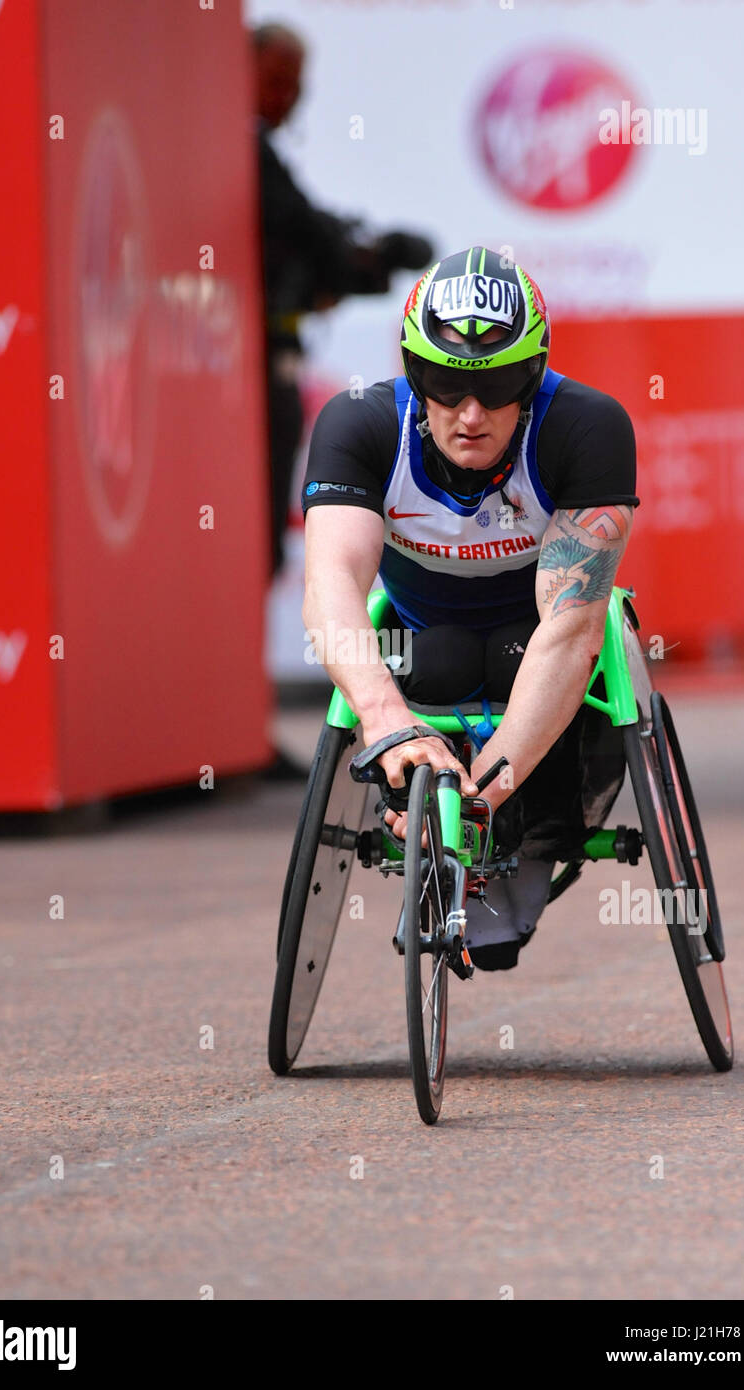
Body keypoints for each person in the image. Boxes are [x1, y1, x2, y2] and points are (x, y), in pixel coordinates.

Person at [300, 247, 638, 970]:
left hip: (534, 639)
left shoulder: (587, 427)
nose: (471, 413)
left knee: (514, 653)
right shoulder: (359, 426)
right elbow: (331, 584)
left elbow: (572, 624)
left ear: (536, 373)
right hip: (428, 635)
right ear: (414, 372)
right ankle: (414, 809)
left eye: (500, 385)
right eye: (446, 386)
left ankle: (527, 838)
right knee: (447, 657)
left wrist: (491, 784)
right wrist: (385, 723)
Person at [252, 22, 433, 577]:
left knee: (266, 518)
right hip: (250, 362)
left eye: (295, 86)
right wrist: (353, 257)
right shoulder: (245, 151)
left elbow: (310, 235)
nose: (286, 98)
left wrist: (358, 257)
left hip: (270, 351)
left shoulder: (261, 157)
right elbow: (307, 233)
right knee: (257, 517)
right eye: (275, 81)